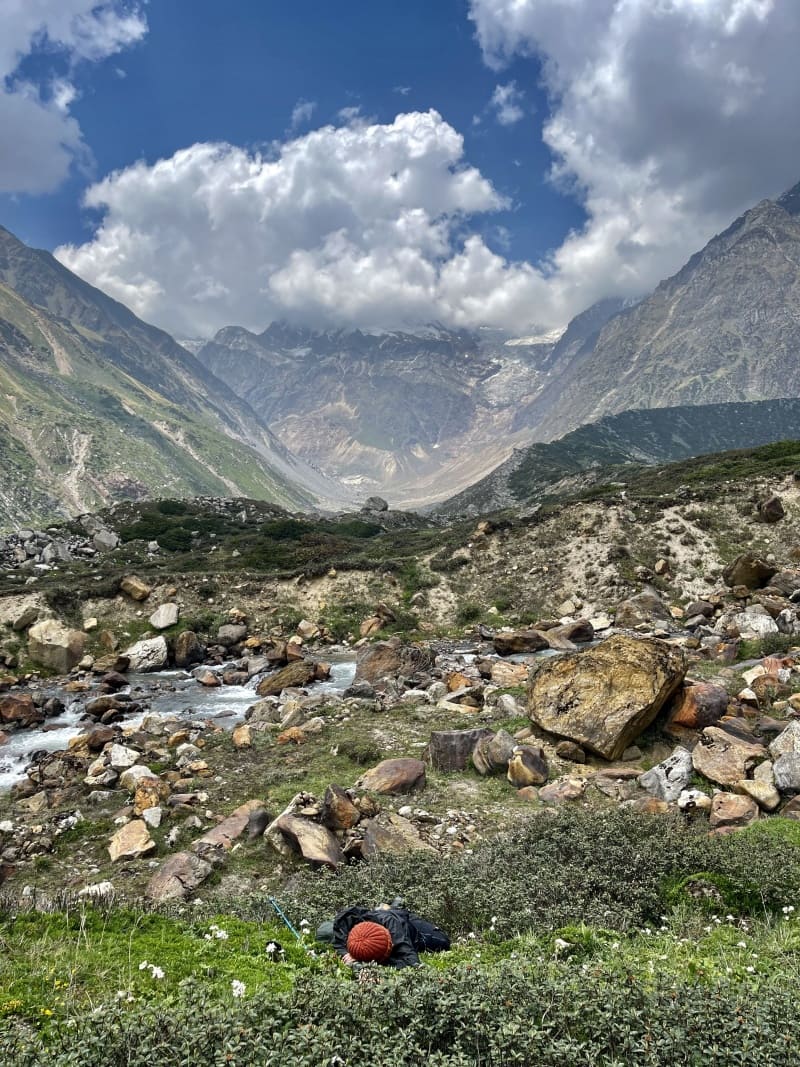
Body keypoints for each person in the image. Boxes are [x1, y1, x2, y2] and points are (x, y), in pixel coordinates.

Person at [316, 902, 450, 968]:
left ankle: (392, 908)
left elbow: (412, 962)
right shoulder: (348, 923)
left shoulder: (398, 937)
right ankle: (385, 908)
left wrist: (368, 967)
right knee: (324, 932)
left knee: (443, 941)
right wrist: (346, 953)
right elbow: (342, 918)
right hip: (374, 918)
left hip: (407, 925)